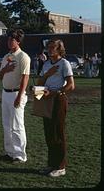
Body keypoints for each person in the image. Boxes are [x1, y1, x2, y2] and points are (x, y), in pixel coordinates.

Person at [36, 39, 75, 177]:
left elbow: (71, 85)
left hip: (58, 100)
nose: (50, 49)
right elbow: (40, 82)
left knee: (58, 133)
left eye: (53, 47)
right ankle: (51, 164)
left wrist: (55, 92)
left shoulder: (64, 63)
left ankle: (61, 166)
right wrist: (47, 74)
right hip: (46, 99)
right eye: (49, 47)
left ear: (60, 49)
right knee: (49, 133)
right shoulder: (46, 64)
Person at [0, 29, 30, 164]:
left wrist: (19, 96)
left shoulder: (23, 57)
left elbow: (25, 78)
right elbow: (0, 76)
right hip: (5, 93)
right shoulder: (6, 57)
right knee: (6, 124)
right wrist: (5, 69)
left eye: (12, 39)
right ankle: (10, 152)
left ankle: (20, 155)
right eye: (8, 39)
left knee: (17, 125)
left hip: (17, 93)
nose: (9, 42)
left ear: (18, 41)